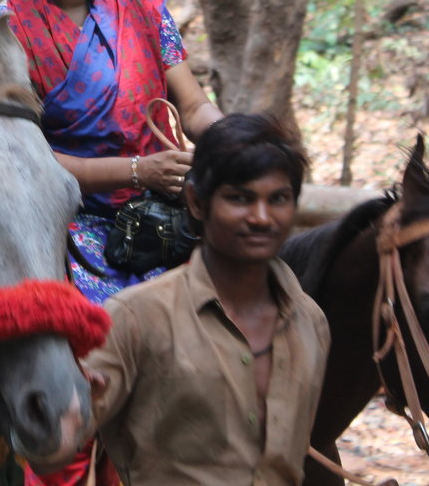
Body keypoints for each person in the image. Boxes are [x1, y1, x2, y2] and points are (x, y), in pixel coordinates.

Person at [0, 0, 224, 304]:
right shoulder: (7, 33)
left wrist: (231, 144)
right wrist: (139, 171)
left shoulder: (141, 4)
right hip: (65, 226)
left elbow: (193, 108)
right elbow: (20, 160)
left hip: (167, 211)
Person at [80, 113, 330, 485]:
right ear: (197, 203)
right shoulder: (137, 316)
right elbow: (55, 446)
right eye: (240, 199)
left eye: (278, 199)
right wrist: (68, 405)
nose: (262, 217)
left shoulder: (311, 322)